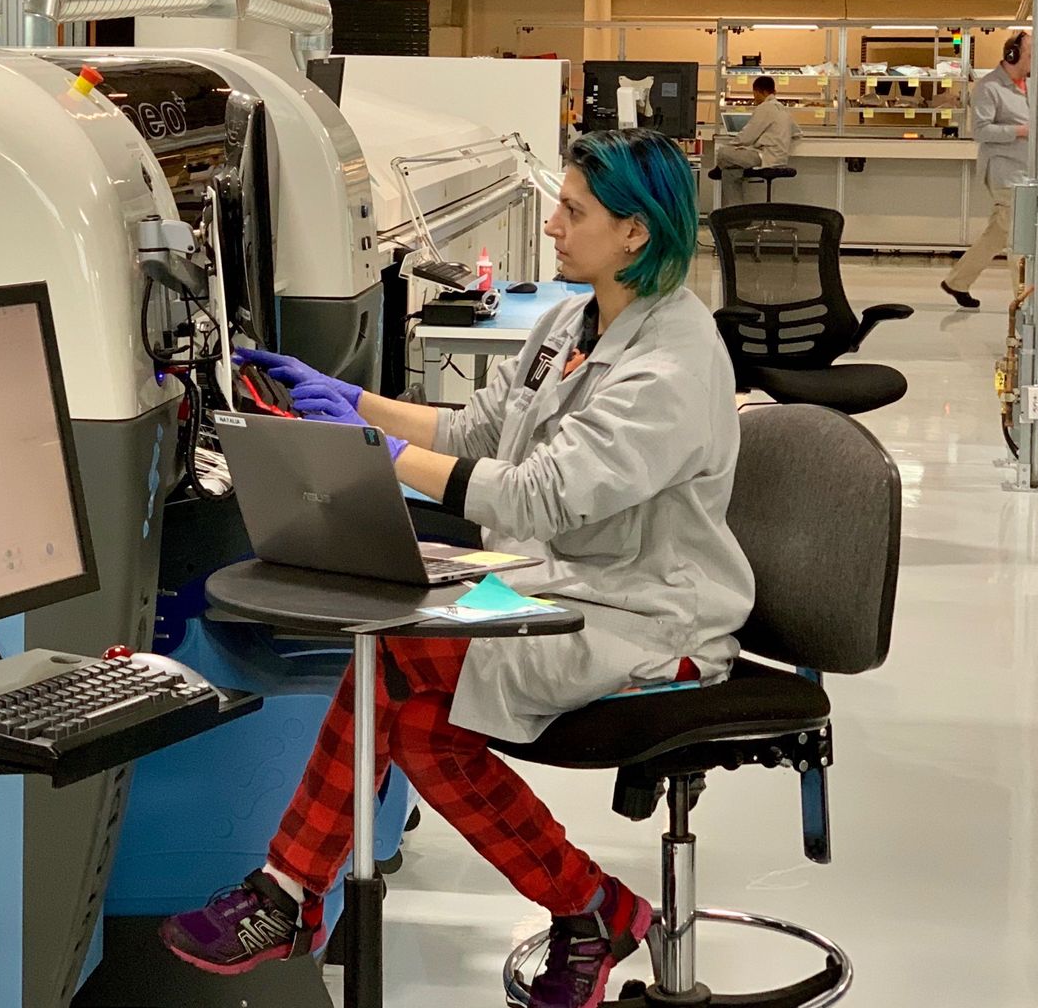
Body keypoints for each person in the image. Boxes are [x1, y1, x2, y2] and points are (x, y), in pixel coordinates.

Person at [160, 128, 756, 1008]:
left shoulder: (672, 362)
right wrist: (350, 400)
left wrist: (368, 451)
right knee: (415, 711)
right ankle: (589, 907)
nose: (552, 225)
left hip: (649, 620)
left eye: (573, 210)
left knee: (395, 662)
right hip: (562, 586)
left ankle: (288, 892)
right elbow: (480, 432)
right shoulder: (574, 319)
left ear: (636, 232)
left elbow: (540, 496)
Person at [942, 30, 1032, 309]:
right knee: (1019, 234)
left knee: (999, 233)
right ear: (1013, 55)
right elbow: (980, 131)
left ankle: (957, 281)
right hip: (1005, 172)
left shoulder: (1030, 86)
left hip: (1026, 170)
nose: (1035, 61)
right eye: (1031, 55)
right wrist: (1020, 131)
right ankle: (1026, 299)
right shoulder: (988, 87)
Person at [714, 75, 800, 206]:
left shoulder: (765, 107)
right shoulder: (783, 109)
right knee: (730, 173)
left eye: (755, 94)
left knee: (722, 153)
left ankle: (735, 215)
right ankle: (737, 215)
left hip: (764, 157)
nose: (754, 98)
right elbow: (797, 132)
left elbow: (748, 135)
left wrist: (732, 147)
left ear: (763, 92)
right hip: (779, 158)